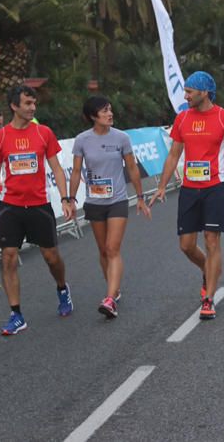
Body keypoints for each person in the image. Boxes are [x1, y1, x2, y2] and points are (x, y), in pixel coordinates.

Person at [149, 71, 224, 320]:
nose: (185, 96)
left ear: (204, 92)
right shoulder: (182, 118)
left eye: (189, 92)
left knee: (211, 239)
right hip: (189, 188)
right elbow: (174, 155)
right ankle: (209, 268)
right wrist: (162, 186)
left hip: (216, 186)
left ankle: (208, 299)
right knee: (186, 245)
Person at [0, 85, 74, 336]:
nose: (33, 108)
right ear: (14, 106)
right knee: (8, 257)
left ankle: (62, 289)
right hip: (10, 206)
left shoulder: (44, 133)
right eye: (28, 104)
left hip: (38, 206)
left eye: (34, 103)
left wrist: (65, 198)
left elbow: (56, 168)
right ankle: (16, 314)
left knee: (51, 257)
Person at [68, 96, 151, 319]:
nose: (110, 114)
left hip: (117, 200)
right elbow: (76, 172)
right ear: (93, 116)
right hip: (94, 202)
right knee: (103, 250)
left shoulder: (121, 138)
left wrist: (140, 197)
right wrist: (70, 199)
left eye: (111, 110)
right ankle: (113, 289)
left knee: (113, 248)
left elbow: (132, 168)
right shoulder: (82, 140)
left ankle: (110, 298)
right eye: (105, 111)